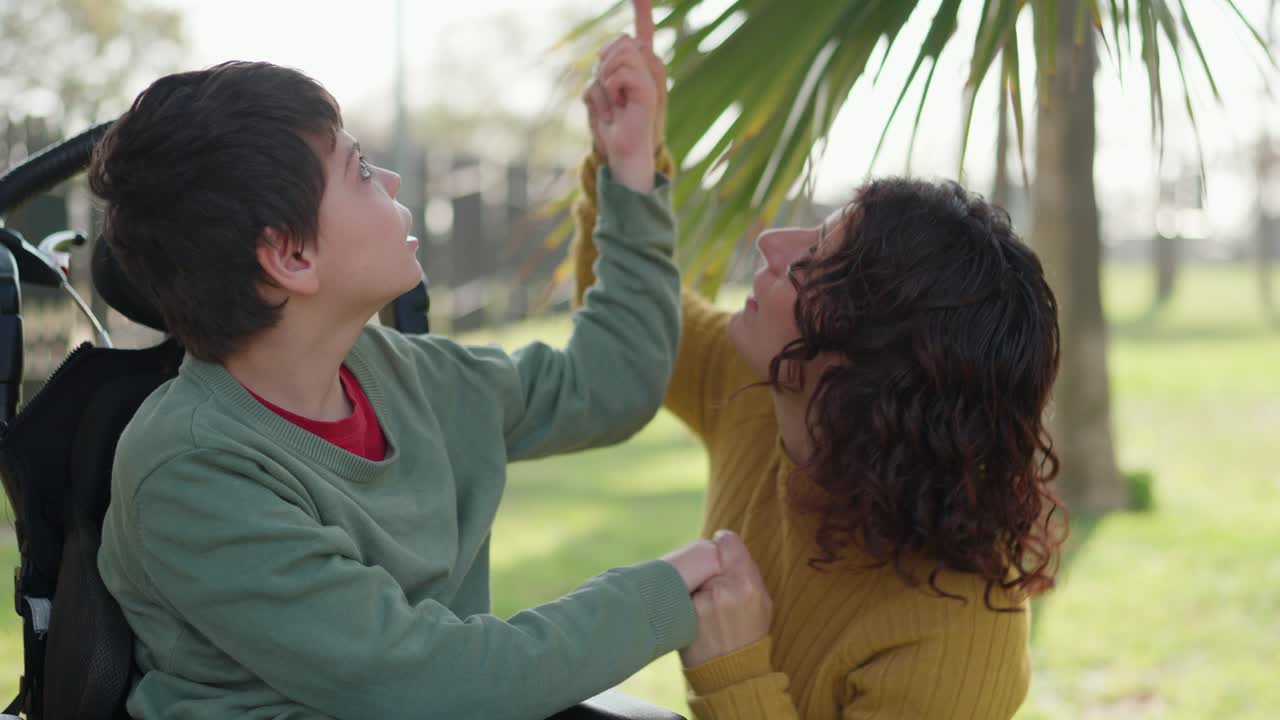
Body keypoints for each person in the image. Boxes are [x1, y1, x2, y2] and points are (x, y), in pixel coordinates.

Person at [91, 48, 722, 720]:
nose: (390, 180)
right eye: (359, 170)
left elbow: (609, 385)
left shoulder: (408, 377)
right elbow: (429, 683)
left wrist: (629, 174)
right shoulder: (193, 469)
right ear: (291, 256)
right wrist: (662, 595)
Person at [574, 42, 1067, 719]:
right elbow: (634, 328)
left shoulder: (957, 634)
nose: (773, 242)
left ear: (870, 365)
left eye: (814, 262)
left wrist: (733, 671)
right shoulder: (765, 391)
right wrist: (626, 163)